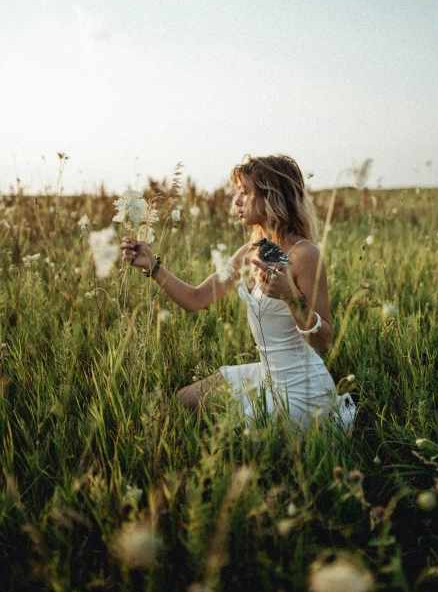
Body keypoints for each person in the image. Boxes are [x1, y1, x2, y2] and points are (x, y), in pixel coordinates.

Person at [121, 154, 355, 430]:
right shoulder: (247, 254)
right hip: (264, 375)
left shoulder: (304, 254)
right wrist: (153, 267)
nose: (237, 201)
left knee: (246, 445)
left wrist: (292, 299)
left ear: (272, 197)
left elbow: (323, 344)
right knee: (182, 400)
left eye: (245, 192)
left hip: (301, 388)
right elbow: (195, 299)